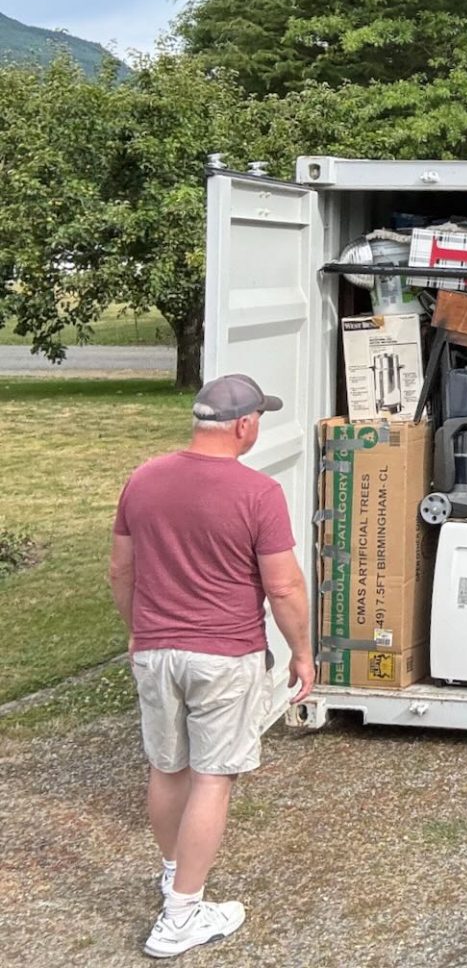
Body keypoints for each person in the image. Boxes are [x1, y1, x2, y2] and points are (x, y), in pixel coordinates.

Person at [108, 373, 314, 959]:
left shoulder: (143, 479)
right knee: (212, 777)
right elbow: (285, 586)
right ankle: (181, 916)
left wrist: (136, 630)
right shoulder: (257, 493)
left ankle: (175, 876)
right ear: (245, 425)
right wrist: (302, 651)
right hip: (223, 654)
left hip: (155, 649)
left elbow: (120, 572)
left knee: (167, 767)